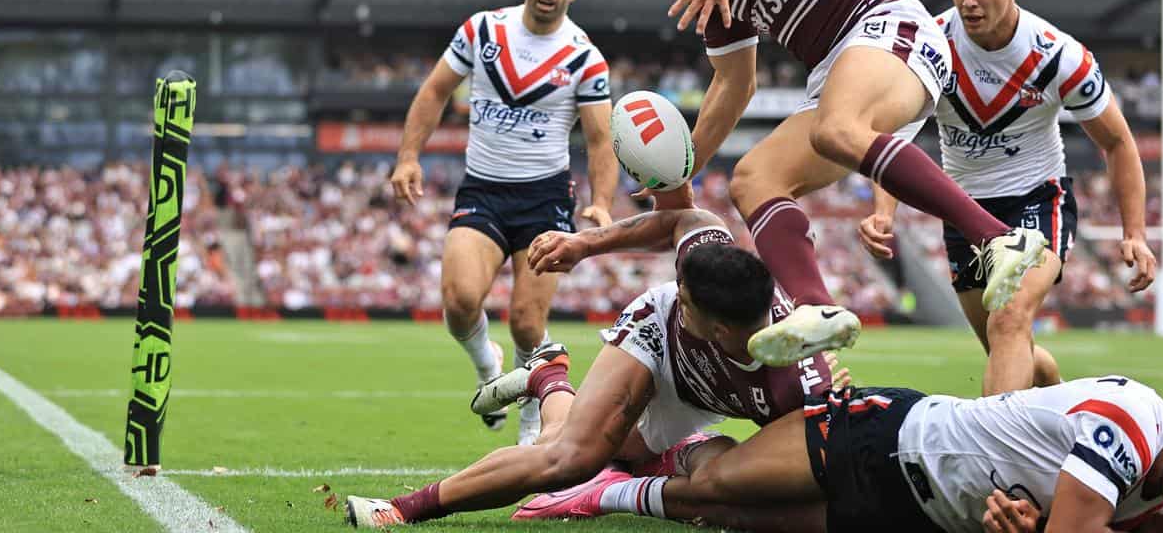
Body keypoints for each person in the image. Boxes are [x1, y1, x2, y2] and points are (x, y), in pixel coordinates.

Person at [606, 0, 1047, 363]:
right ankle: (818, 308)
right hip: (838, 72)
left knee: (839, 128)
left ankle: (1000, 238)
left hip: (887, 22)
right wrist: (680, 173)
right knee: (753, 178)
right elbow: (733, 83)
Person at [341, 207, 843, 528]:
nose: (680, 300)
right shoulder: (695, 286)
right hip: (654, 343)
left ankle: (549, 375)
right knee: (570, 459)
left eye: (687, 303)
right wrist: (584, 244)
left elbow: (815, 475)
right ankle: (405, 508)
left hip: (699, 399)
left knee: (663, 460)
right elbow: (683, 218)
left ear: (720, 332)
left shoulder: (794, 382)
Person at [858, 0, 1157, 395]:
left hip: (1037, 202)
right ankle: (1058, 400)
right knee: (1009, 345)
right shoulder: (931, 46)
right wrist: (883, 211)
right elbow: (894, 137)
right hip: (964, 214)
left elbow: (1117, 142)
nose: (968, 0)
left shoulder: (1060, 56)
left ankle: (995, 455)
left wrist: (1135, 233)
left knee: (1009, 320)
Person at [389, 0, 618, 443]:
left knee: (525, 321)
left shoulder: (584, 57)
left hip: (546, 200)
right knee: (459, 300)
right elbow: (434, 91)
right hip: (484, 190)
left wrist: (601, 202)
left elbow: (601, 139)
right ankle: (487, 367)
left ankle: (532, 424)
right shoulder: (483, 30)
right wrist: (408, 156)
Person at [521, 376, 1163, 533]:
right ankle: (620, 460)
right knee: (717, 486)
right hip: (887, 438)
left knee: (727, 519)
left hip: (917, 517)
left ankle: (605, 492)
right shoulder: (1132, 421)